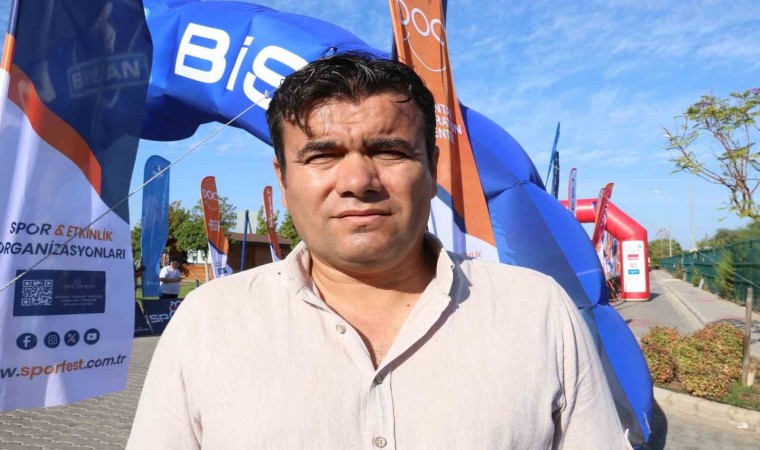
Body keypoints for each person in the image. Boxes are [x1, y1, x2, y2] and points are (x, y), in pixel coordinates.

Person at [128, 52, 631, 449]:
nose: (357, 181)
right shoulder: (208, 323)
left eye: (389, 151)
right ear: (283, 179)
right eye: (322, 156)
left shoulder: (537, 311)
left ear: (432, 170)